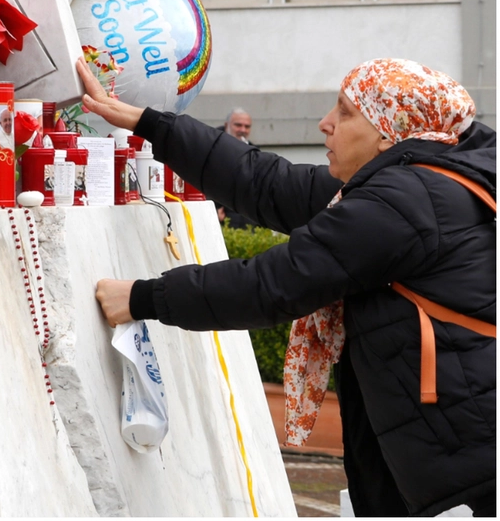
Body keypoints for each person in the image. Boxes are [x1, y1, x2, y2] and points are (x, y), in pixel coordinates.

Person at [81, 57, 495, 516]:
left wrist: (142, 297)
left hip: (468, 466)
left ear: (387, 131)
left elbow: (274, 284)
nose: (325, 124)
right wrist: (151, 124)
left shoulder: (406, 201)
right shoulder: (412, 182)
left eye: (344, 112)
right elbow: (268, 183)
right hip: (456, 448)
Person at [217, 108, 256, 227]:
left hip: (248, 216)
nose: (243, 130)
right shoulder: (213, 147)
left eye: (247, 126)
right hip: (223, 214)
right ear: (226, 125)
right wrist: (214, 207)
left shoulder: (255, 152)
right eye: (238, 125)